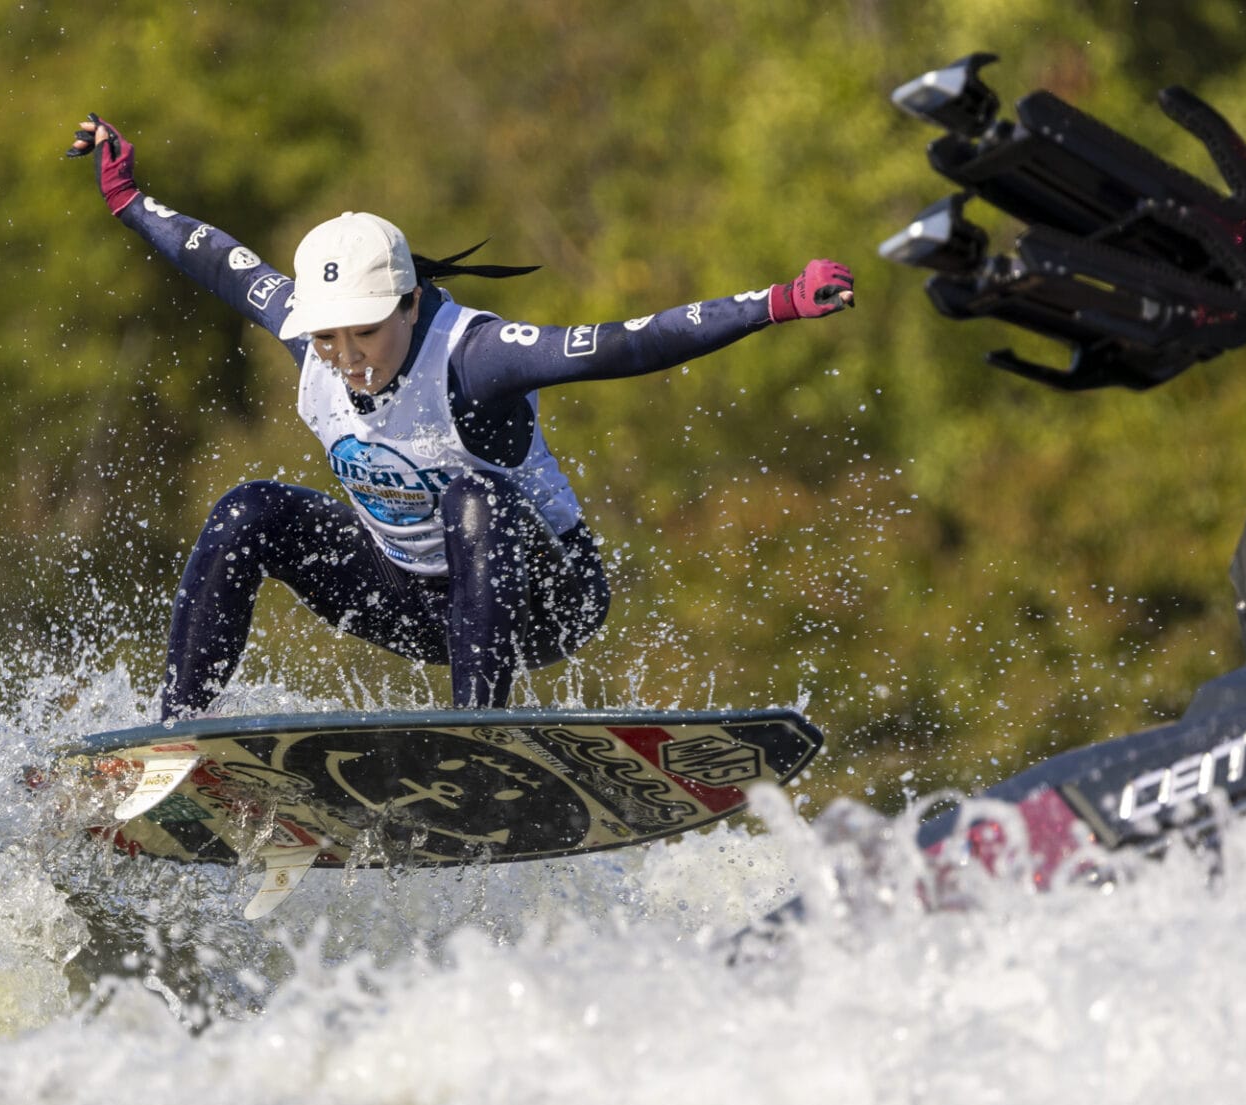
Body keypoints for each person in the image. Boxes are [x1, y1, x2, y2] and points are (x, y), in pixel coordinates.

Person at [67, 114, 854, 719]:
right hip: (409, 597)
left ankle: (477, 736)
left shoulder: (476, 358)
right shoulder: (315, 338)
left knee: (467, 500)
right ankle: (174, 741)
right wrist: (128, 199)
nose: (347, 359)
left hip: (543, 599)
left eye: (366, 332)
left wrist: (776, 302)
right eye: (329, 337)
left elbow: (627, 344)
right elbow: (216, 257)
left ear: (410, 303)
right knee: (249, 511)